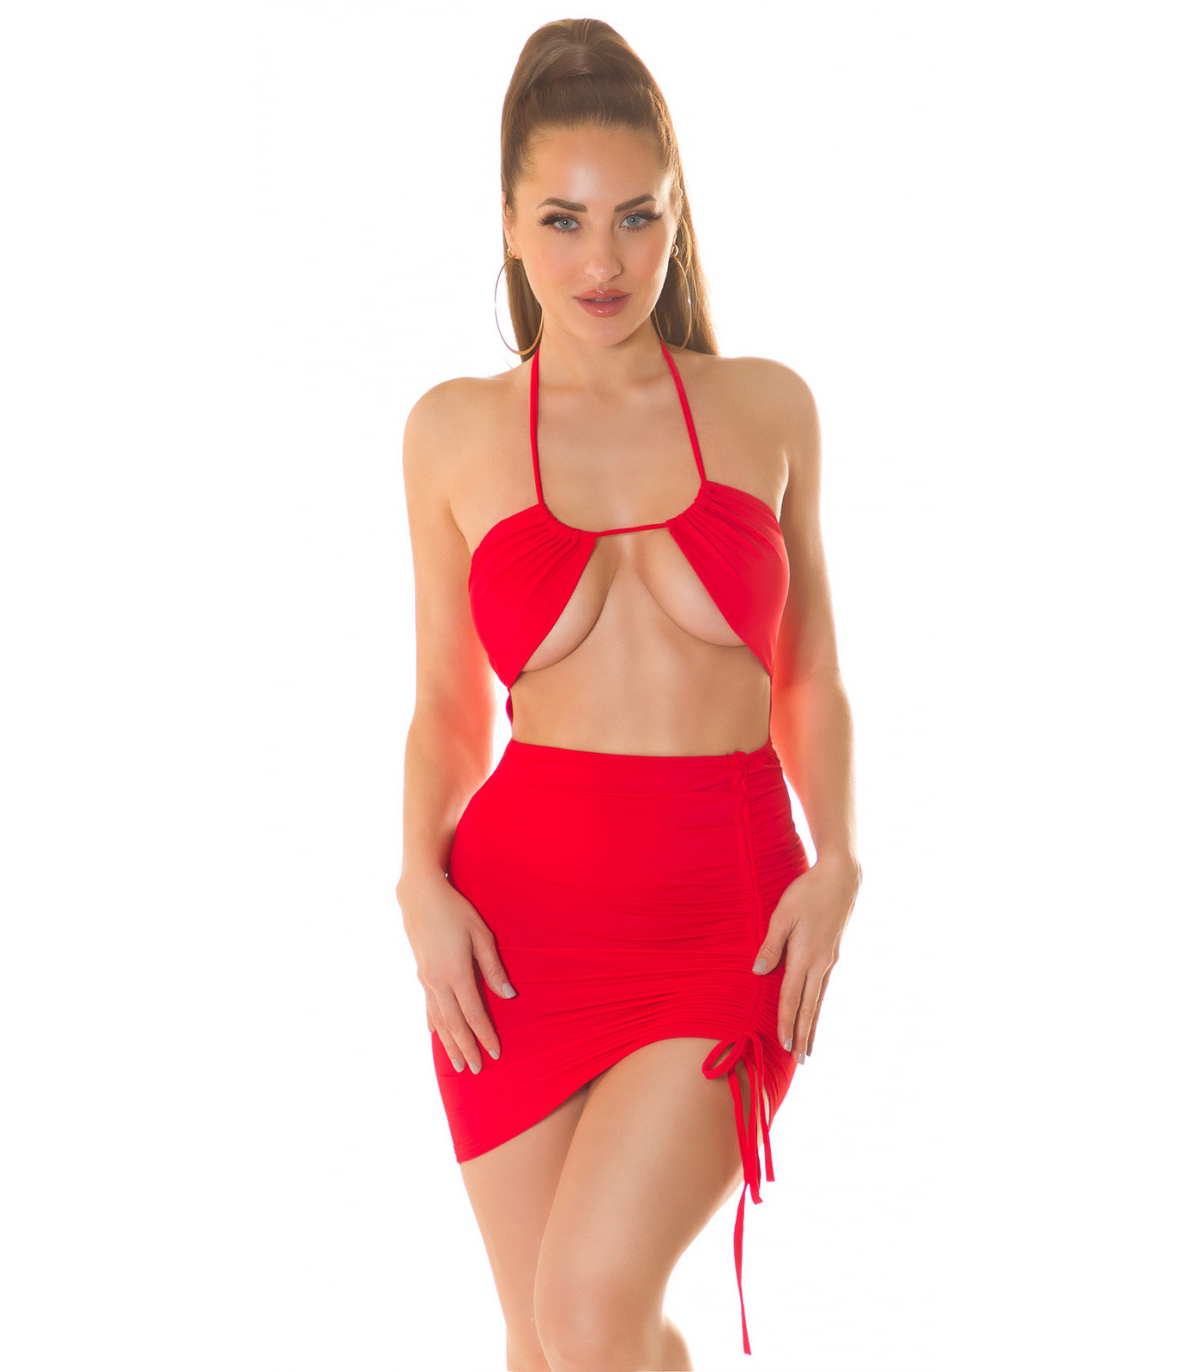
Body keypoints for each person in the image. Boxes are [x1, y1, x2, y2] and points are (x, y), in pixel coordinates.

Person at [397, 17, 861, 1371]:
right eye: (563, 220)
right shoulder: (452, 430)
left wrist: (840, 860)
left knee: (591, 1310)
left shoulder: (768, 408)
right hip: (515, 934)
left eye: (637, 218)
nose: (602, 263)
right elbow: (446, 704)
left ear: (677, 215)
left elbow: (811, 673)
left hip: (724, 914)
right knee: (549, 1345)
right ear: (508, 223)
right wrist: (418, 881)